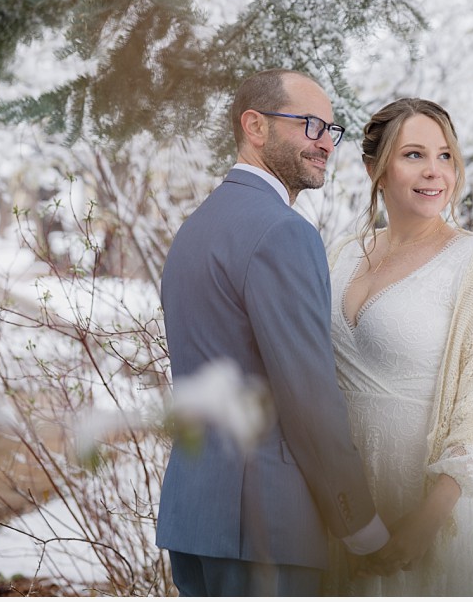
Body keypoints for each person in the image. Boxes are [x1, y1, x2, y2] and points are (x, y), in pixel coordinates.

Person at [155, 69, 391, 596]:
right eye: (310, 125)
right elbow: (308, 397)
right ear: (255, 126)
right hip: (267, 531)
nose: (326, 143)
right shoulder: (284, 232)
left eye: (332, 129)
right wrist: (360, 524)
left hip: (195, 520)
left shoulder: (196, 228)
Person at [325, 98, 473, 595]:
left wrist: (425, 523)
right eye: (414, 155)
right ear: (376, 169)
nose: (435, 172)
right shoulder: (343, 253)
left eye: (445, 156)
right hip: (333, 505)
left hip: (417, 504)